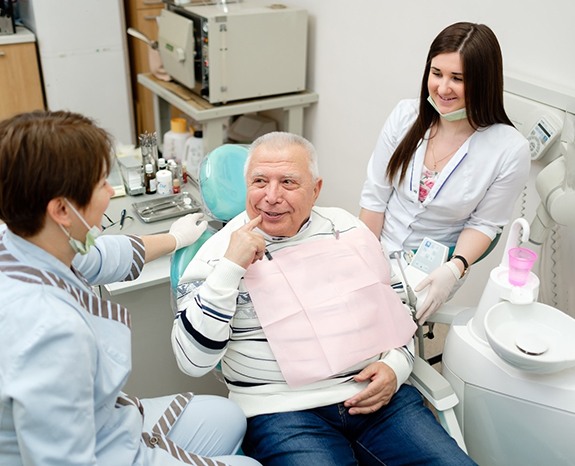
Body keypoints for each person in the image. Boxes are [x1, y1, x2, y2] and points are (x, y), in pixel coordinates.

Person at [172, 131, 476, 465]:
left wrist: (396, 366)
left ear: (316, 190)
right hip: (281, 410)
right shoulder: (216, 256)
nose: (271, 196)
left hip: (376, 397)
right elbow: (193, 362)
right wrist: (230, 270)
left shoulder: (347, 230)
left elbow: (396, 310)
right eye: (260, 181)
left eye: (288, 182)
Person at [0, 110, 261, 466]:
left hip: (103, 421)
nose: (110, 191)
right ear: (61, 209)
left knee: (230, 418)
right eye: (100, 185)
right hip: (94, 452)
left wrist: (172, 238)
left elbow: (97, 255)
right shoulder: (50, 332)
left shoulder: (22, 238)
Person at [359, 22, 531, 323]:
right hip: (377, 244)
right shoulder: (405, 116)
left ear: (484, 82)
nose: (442, 88)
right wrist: (363, 258)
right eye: (436, 73)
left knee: (382, 327)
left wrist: (455, 268)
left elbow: (485, 223)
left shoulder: (509, 149)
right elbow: (375, 196)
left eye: (458, 78)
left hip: (436, 267)